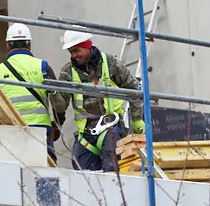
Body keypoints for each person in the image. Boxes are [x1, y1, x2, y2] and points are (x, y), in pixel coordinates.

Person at [53, 30, 145, 172]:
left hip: (111, 127)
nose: (74, 56)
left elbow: (133, 89)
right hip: (85, 135)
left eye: (76, 50)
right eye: (71, 52)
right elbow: (61, 106)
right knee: (82, 177)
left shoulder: (109, 63)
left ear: (87, 45)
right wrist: (53, 93)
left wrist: (137, 119)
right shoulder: (68, 71)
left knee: (112, 174)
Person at [0, 23, 64, 163]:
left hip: (12, 130)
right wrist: (58, 123)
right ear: (29, 45)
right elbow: (59, 106)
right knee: (46, 175)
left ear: (8, 46)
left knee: (16, 174)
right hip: (41, 130)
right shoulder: (43, 67)